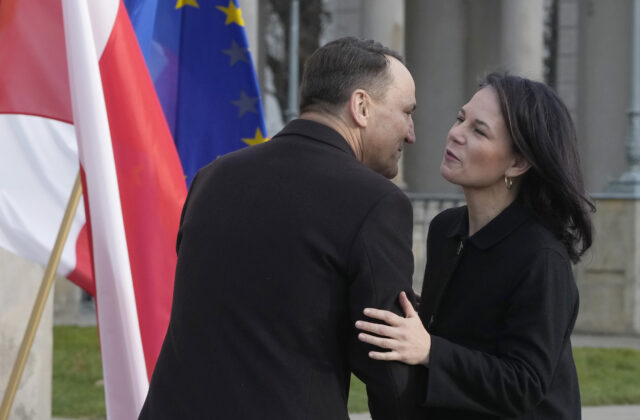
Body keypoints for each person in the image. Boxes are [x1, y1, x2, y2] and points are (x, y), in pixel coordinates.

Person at [139, 37, 426, 419]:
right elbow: (386, 363)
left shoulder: (211, 178)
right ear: (361, 106)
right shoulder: (377, 201)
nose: (411, 133)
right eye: (407, 112)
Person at [355, 73, 594, 419]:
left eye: (479, 131)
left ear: (517, 163)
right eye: (460, 118)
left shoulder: (541, 257)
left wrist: (430, 350)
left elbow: (524, 384)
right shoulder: (445, 229)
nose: (455, 133)